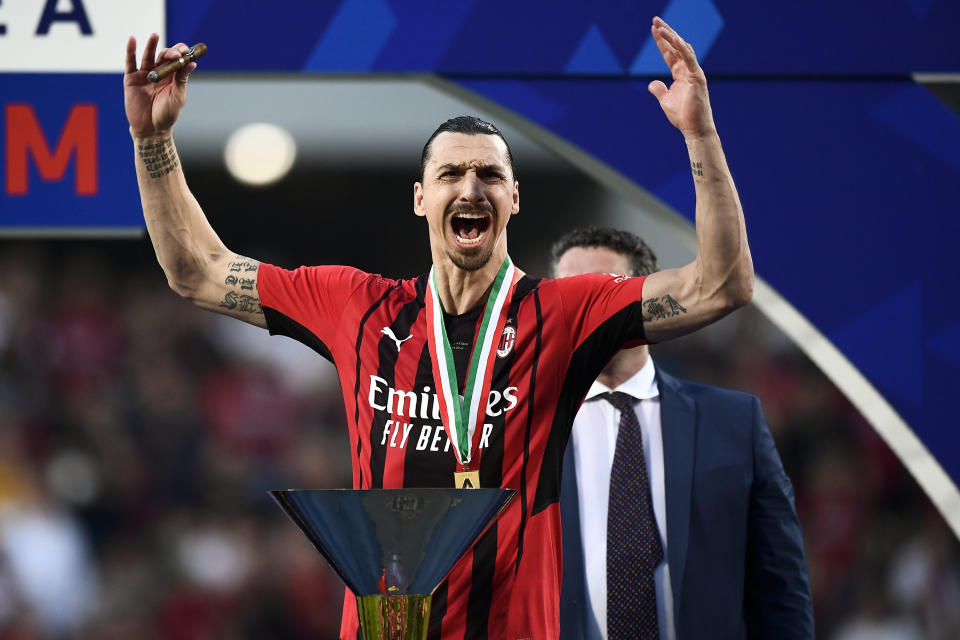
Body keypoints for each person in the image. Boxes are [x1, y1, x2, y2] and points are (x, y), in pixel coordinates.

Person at [123, 16, 753, 640]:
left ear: (512, 199)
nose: (470, 188)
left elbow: (720, 285)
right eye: (450, 175)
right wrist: (153, 141)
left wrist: (699, 134)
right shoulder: (356, 307)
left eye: (489, 176)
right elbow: (198, 272)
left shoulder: (563, 312)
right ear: (421, 197)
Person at [552, 227, 814, 640]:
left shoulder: (733, 422)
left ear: (649, 305)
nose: (583, 311)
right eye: (568, 296)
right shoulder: (520, 430)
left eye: (602, 293)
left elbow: (781, 591)